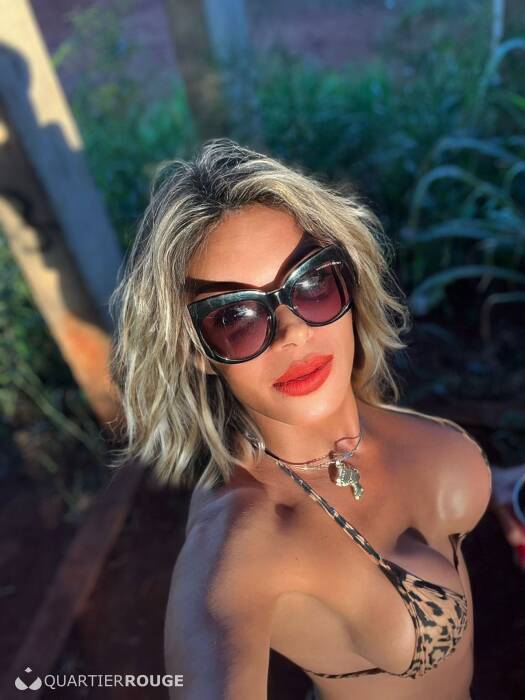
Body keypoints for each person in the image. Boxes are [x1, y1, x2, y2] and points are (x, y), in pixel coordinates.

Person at [108, 139, 493, 700]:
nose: (292, 331)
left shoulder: (367, 412)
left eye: (310, 283)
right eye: (235, 317)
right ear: (195, 351)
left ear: (346, 278)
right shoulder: (241, 538)